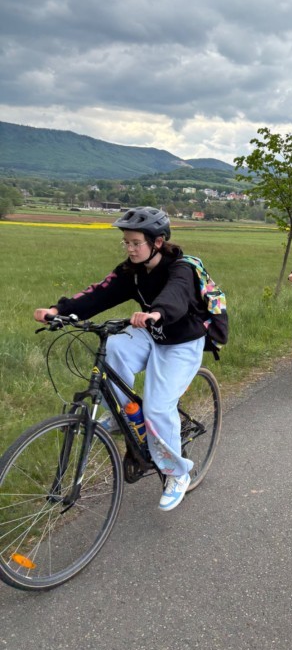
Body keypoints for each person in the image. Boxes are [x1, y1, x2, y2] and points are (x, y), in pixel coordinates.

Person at [33, 206, 208, 513]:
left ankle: (176, 472)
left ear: (157, 242)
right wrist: (58, 311)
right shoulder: (132, 271)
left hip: (181, 341)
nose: (129, 248)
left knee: (157, 407)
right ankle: (122, 415)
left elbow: (176, 295)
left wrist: (156, 313)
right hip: (151, 333)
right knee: (114, 346)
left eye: (136, 242)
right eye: (126, 242)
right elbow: (99, 293)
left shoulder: (181, 268)